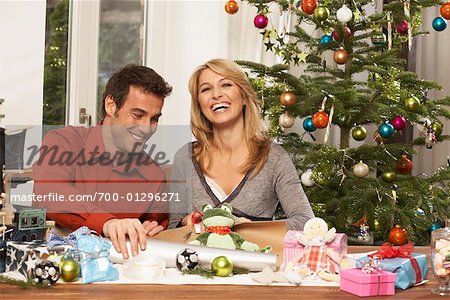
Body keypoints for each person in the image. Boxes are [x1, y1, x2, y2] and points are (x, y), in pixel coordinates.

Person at [33, 65, 172, 259]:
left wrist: (153, 230)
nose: (146, 128)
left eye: (154, 119)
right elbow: (49, 194)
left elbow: (158, 225)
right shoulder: (63, 142)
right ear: (111, 105)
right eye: (138, 115)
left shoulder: (153, 175)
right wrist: (108, 223)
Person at [169, 59, 314, 230]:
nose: (216, 95)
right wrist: (187, 222)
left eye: (226, 85)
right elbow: (173, 228)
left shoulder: (274, 157)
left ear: (244, 96)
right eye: (206, 89)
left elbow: (305, 221)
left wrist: (249, 228)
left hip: (255, 255)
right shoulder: (185, 157)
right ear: (199, 105)